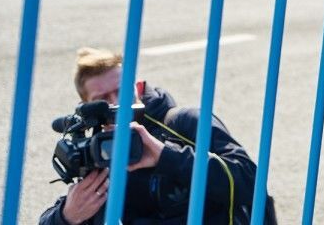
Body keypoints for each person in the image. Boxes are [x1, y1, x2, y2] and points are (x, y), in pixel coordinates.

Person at [40, 47, 275, 225]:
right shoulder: (99, 153)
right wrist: (66, 217)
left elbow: (250, 182)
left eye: (121, 91)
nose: (115, 104)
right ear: (85, 106)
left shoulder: (184, 122)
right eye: (102, 99)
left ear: (138, 87)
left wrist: (166, 155)